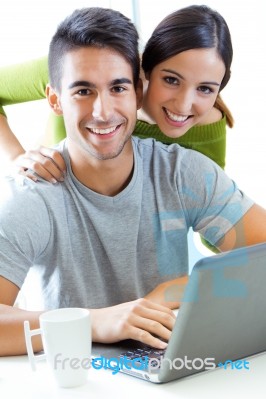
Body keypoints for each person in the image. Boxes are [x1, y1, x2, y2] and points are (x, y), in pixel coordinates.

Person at [0, 6, 265, 358]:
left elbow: (256, 256)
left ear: (138, 91)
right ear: (55, 100)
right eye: (83, 91)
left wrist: (179, 290)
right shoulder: (32, 195)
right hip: (71, 377)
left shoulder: (183, 171)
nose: (103, 111)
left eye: (117, 88)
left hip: (166, 370)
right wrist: (94, 322)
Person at [0, 5, 233, 184]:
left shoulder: (207, 126)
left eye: (205, 89)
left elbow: (217, 224)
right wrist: (15, 158)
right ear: (146, 69)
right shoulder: (81, 66)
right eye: (171, 80)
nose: (183, 106)